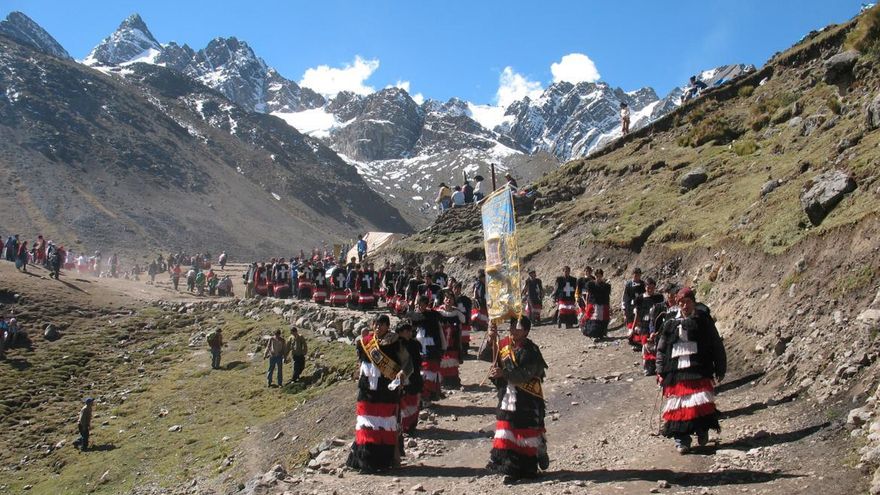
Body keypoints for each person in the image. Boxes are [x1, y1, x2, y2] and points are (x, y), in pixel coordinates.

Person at [655, 287, 726, 454]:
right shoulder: (670, 321)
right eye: (681, 303)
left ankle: (702, 430)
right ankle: (682, 439)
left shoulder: (703, 319)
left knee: (700, 402)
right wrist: (659, 369)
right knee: (677, 405)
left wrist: (720, 366)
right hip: (675, 370)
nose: (684, 306)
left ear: (693, 302)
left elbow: (715, 344)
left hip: (699, 368)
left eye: (687, 302)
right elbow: (662, 347)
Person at [480, 316, 549, 484]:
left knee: (524, 431)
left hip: (527, 398)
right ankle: (509, 468)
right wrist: (490, 338)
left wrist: (504, 374)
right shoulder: (503, 345)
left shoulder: (532, 350)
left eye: (518, 327)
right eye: (512, 326)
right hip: (507, 396)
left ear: (526, 331)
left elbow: (527, 373)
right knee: (507, 429)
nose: (513, 329)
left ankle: (527, 467)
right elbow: (485, 355)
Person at [346, 314, 412, 473]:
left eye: (382, 324)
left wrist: (402, 374)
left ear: (387, 326)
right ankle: (364, 460)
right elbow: (361, 364)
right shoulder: (365, 342)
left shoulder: (396, 343)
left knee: (385, 425)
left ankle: (383, 460)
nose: (378, 327)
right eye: (376, 324)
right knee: (366, 424)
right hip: (367, 392)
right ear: (372, 324)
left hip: (386, 391)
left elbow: (408, 364)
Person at [410, 295, 445, 402]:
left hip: (431, 349)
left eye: (423, 305)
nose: (421, 307)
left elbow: (440, 325)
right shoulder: (414, 315)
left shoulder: (433, 315)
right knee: (420, 372)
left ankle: (428, 396)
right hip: (419, 347)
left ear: (427, 305)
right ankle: (421, 397)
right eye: (419, 305)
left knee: (430, 372)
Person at [633, 278, 665, 374]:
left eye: (652, 287)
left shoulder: (659, 298)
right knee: (646, 347)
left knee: (656, 346)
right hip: (644, 325)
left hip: (657, 325)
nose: (650, 290)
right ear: (645, 287)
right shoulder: (639, 299)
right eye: (648, 287)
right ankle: (647, 368)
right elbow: (637, 314)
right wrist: (635, 326)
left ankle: (657, 366)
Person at [396, 320, 423, 434]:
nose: (409, 332)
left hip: (414, 376)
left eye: (409, 330)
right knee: (403, 402)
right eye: (406, 331)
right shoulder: (395, 345)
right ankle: (404, 426)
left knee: (413, 401)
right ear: (400, 332)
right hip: (400, 376)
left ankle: (411, 425)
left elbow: (418, 361)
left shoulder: (415, 344)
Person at [437, 291, 465, 388]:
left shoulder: (457, 313)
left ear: (454, 300)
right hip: (441, 341)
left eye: (451, 298)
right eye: (446, 298)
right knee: (442, 361)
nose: (448, 300)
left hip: (454, 341)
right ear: (443, 300)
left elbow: (464, 321)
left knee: (453, 361)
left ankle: (453, 382)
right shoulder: (438, 312)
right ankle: (442, 382)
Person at [580, 269, 612, 340]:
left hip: (603, 306)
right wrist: (587, 304)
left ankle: (601, 334)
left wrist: (608, 307)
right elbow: (588, 295)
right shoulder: (590, 285)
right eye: (597, 276)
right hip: (593, 306)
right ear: (595, 276)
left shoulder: (606, 286)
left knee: (602, 321)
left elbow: (607, 297)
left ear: (602, 276)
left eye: (600, 276)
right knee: (593, 320)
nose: (598, 278)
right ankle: (592, 334)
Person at [622, 267, 646, 339]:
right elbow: (625, 297)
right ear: (633, 275)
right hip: (630, 307)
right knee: (631, 324)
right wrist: (624, 308)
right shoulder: (628, 285)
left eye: (638, 275)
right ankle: (632, 339)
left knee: (639, 325)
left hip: (640, 307)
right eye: (635, 275)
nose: (636, 277)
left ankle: (638, 340)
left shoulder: (643, 284)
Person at [452, 282, 473, 356]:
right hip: (454, 320)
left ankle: (464, 350)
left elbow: (469, 310)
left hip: (464, 320)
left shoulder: (465, 299)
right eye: (455, 288)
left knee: (464, 336)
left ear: (460, 289)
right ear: (452, 289)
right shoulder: (450, 299)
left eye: (458, 288)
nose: (456, 290)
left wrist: (469, 318)